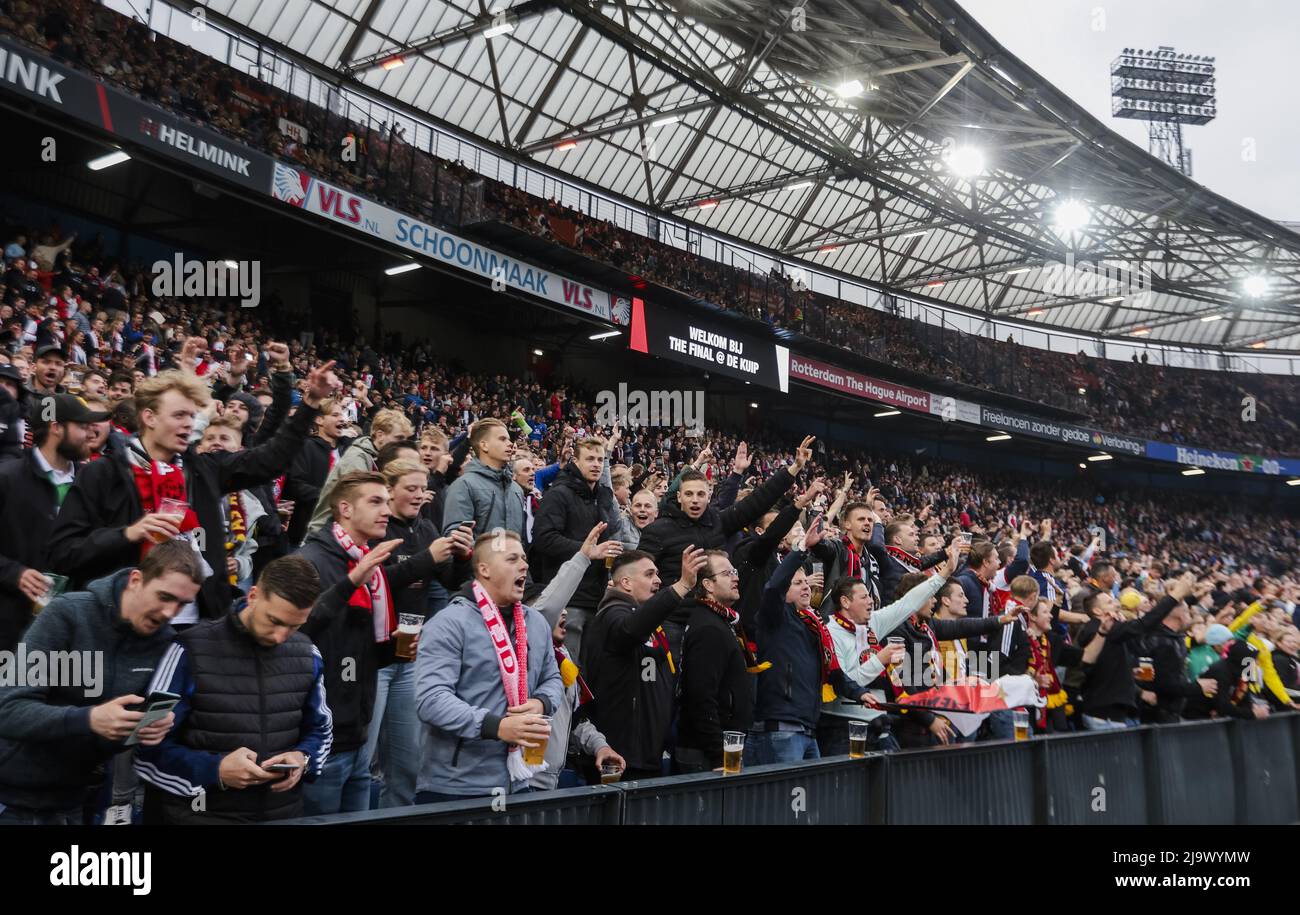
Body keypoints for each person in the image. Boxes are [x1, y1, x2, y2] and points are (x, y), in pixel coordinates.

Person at [47, 352, 337, 622]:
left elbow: (271, 459)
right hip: (121, 622)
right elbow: (63, 554)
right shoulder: (103, 473)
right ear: (149, 417)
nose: (189, 424)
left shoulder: (204, 469)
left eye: (191, 415)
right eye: (179, 416)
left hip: (195, 625)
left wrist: (309, 405)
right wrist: (128, 534)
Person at [297, 470, 473, 814]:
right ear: (345, 509)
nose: (385, 509)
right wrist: (352, 582)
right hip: (326, 734)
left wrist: (388, 647)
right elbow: (299, 634)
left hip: (361, 722)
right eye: (376, 501)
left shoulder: (371, 556)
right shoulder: (312, 562)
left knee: (398, 771)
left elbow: (357, 642)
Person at [0, 541, 202, 824]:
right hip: (13, 796)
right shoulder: (68, 614)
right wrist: (90, 718)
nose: (170, 612)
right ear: (135, 580)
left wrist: (144, 728)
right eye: (164, 597)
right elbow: (8, 710)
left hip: (77, 798)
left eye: (182, 604)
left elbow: (114, 734)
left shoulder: (164, 642)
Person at [133, 556, 333, 823]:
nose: (280, 636)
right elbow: (145, 749)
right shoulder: (188, 650)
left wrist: (303, 759)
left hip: (282, 814)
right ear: (253, 595)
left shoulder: (307, 653)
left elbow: (321, 729)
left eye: (295, 626)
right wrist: (216, 770)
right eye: (273, 620)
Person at [413, 530, 564, 802]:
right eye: (512, 559)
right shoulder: (448, 623)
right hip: (456, 786)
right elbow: (431, 700)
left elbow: (553, 678)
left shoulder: (536, 623)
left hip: (518, 781)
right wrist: (497, 727)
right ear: (484, 569)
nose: (524, 565)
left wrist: (541, 702)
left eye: (524, 558)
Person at [638, 436, 814, 660]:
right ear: (679, 497)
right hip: (672, 624)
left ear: (708, 496)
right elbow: (641, 575)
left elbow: (759, 500)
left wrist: (794, 468)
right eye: (689, 494)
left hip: (713, 621)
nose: (695, 500)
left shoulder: (718, 522)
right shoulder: (657, 531)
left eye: (701, 494)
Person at [747, 518, 878, 764]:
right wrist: (801, 550)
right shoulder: (774, 617)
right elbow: (774, 587)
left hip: (808, 728)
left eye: (807, 582)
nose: (806, 588)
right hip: (781, 728)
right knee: (784, 798)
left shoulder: (814, 626)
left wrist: (860, 694)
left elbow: (835, 674)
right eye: (797, 583)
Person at [581, 545, 704, 780]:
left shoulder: (648, 620)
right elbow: (629, 630)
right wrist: (682, 586)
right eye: (649, 574)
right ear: (625, 583)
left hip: (649, 753)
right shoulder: (611, 614)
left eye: (657, 574)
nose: (657, 580)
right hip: (619, 758)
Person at [0, 394, 108, 652]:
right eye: (82, 426)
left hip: (72, 628)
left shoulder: (91, 481)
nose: (90, 434)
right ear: (56, 427)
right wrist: (15, 573)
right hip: (11, 626)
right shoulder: (7, 478)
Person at [1076, 574, 1213, 730]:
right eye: (1109, 602)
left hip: (1115, 713)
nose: (1116, 603)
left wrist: (1130, 672)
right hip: (1104, 716)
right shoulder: (1099, 629)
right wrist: (1176, 595)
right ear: (1097, 611)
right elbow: (1145, 623)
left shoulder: (1111, 631)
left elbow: (1111, 662)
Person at [529, 436, 624, 655]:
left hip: (597, 597)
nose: (596, 464)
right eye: (590, 459)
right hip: (568, 599)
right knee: (570, 669)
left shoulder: (602, 496)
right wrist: (586, 551)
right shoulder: (558, 494)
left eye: (600, 459)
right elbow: (544, 539)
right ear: (576, 462)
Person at [306, 407, 414, 535]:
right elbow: (360, 505)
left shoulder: (379, 458)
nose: (402, 445)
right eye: (399, 438)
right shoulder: (357, 458)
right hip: (326, 537)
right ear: (380, 435)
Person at [441, 418, 526, 544]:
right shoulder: (463, 485)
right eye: (502, 439)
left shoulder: (517, 489)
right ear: (484, 445)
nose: (510, 444)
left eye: (509, 439)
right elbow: (457, 539)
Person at [282, 396, 344, 546]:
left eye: (342, 415)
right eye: (335, 415)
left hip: (340, 530)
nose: (342, 419)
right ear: (319, 420)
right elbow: (296, 485)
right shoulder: (305, 446)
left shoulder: (347, 448)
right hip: (306, 530)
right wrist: (330, 498)